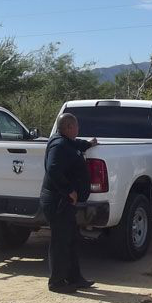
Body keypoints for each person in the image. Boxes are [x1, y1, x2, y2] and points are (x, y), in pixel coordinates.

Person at [41, 113, 97, 293]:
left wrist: (88, 144)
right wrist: (68, 190)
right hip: (58, 201)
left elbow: (75, 145)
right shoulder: (59, 145)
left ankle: (75, 278)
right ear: (68, 128)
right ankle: (56, 282)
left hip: (64, 202)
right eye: (76, 126)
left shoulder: (65, 142)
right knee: (60, 242)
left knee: (71, 239)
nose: (78, 129)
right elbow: (53, 169)